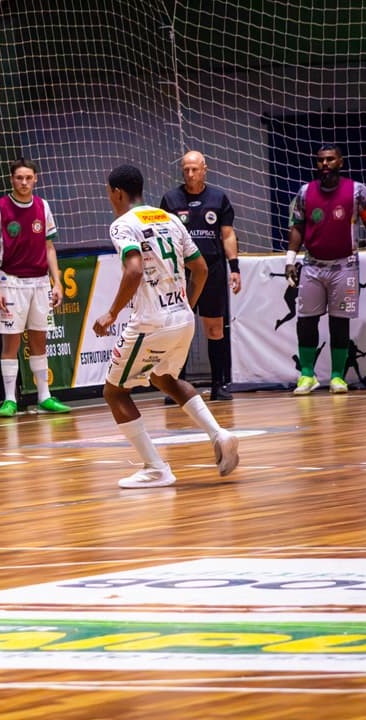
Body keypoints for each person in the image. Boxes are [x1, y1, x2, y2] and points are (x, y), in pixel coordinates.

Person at [91, 164, 238, 489]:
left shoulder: (122, 225)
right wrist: (188, 304)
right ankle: (220, 434)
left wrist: (112, 313)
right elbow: (200, 268)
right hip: (182, 317)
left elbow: (133, 271)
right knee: (164, 377)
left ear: (117, 192)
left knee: (114, 392)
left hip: (150, 321)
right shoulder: (169, 218)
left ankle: (155, 468)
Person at [285, 144, 366, 395]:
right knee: (306, 322)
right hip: (311, 265)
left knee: (339, 322)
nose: (325, 164)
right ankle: (307, 375)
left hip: (345, 266)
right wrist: (289, 260)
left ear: (340, 162)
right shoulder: (304, 193)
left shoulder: (357, 192)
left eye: (330, 159)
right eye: (321, 160)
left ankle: (337, 377)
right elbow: (297, 227)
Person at [0, 158, 70, 418]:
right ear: (12, 179)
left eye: (28, 178)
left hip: (40, 282)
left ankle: (44, 395)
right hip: (11, 282)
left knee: (39, 339)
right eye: (19, 178)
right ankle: (10, 399)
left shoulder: (43, 206)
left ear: (36, 179)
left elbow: (49, 247)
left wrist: (57, 281)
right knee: (10, 343)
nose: (23, 182)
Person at [159, 151, 241, 401]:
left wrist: (234, 268)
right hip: (181, 273)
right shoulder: (171, 199)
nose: (191, 174)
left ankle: (219, 385)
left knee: (215, 328)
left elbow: (227, 235)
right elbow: (162, 236)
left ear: (205, 169)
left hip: (213, 270)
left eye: (195, 169)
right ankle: (175, 386)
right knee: (177, 329)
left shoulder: (218, 198)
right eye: (186, 169)